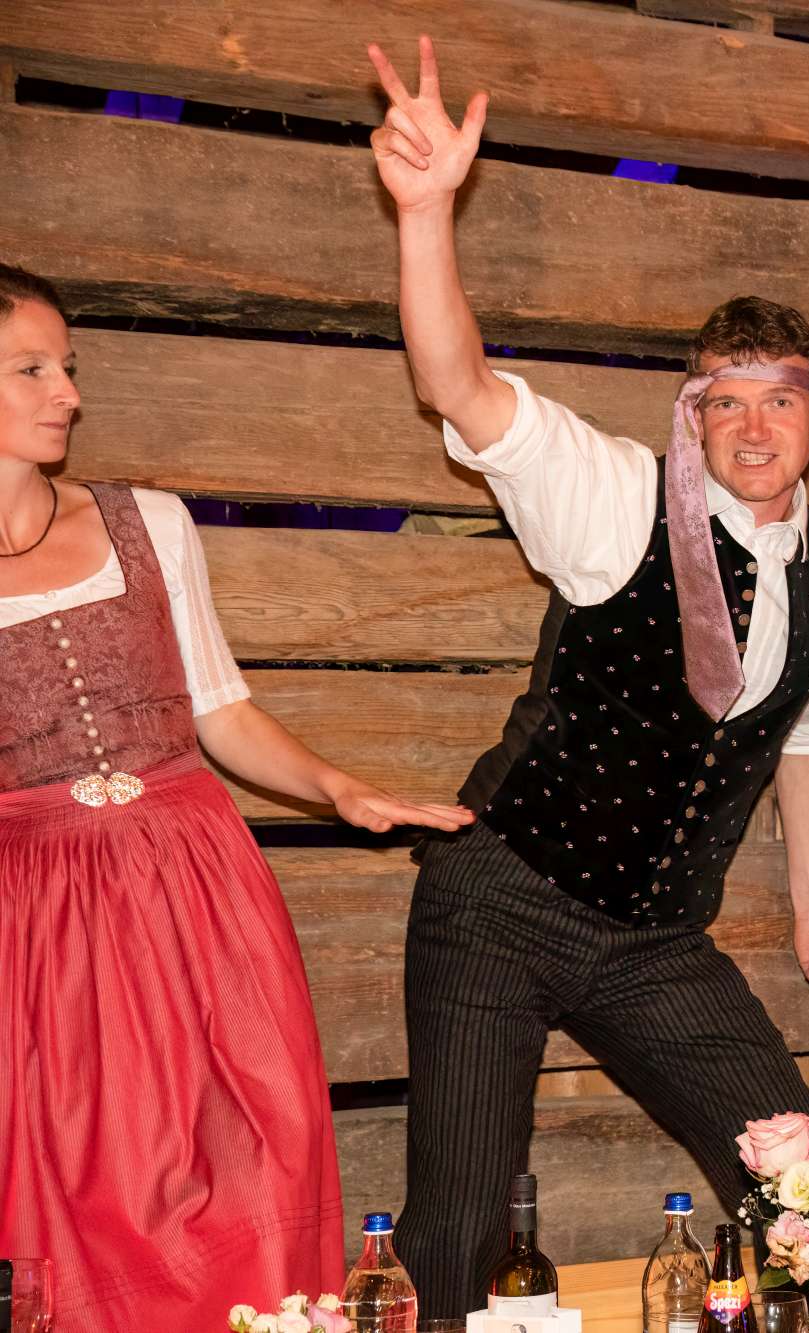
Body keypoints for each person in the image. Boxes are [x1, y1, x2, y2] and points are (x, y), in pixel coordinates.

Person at [364, 40, 809, 1314]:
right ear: (692, 415)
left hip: (654, 938)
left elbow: (807, 729)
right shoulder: (614, 495)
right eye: (723, 401)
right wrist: (424, 215)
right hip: (502, 902)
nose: (752, 425)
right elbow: (458, 385)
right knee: (460, 1227)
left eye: (779, 400)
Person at [0, 264, 471, 1327]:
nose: (67, 392)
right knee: (89, 1181)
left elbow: (219, 711)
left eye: (67, 366)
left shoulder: (149, 522)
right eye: (31, 369)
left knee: (259, 1144)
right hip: (40, 916)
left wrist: (341, 788)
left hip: (194, 884)